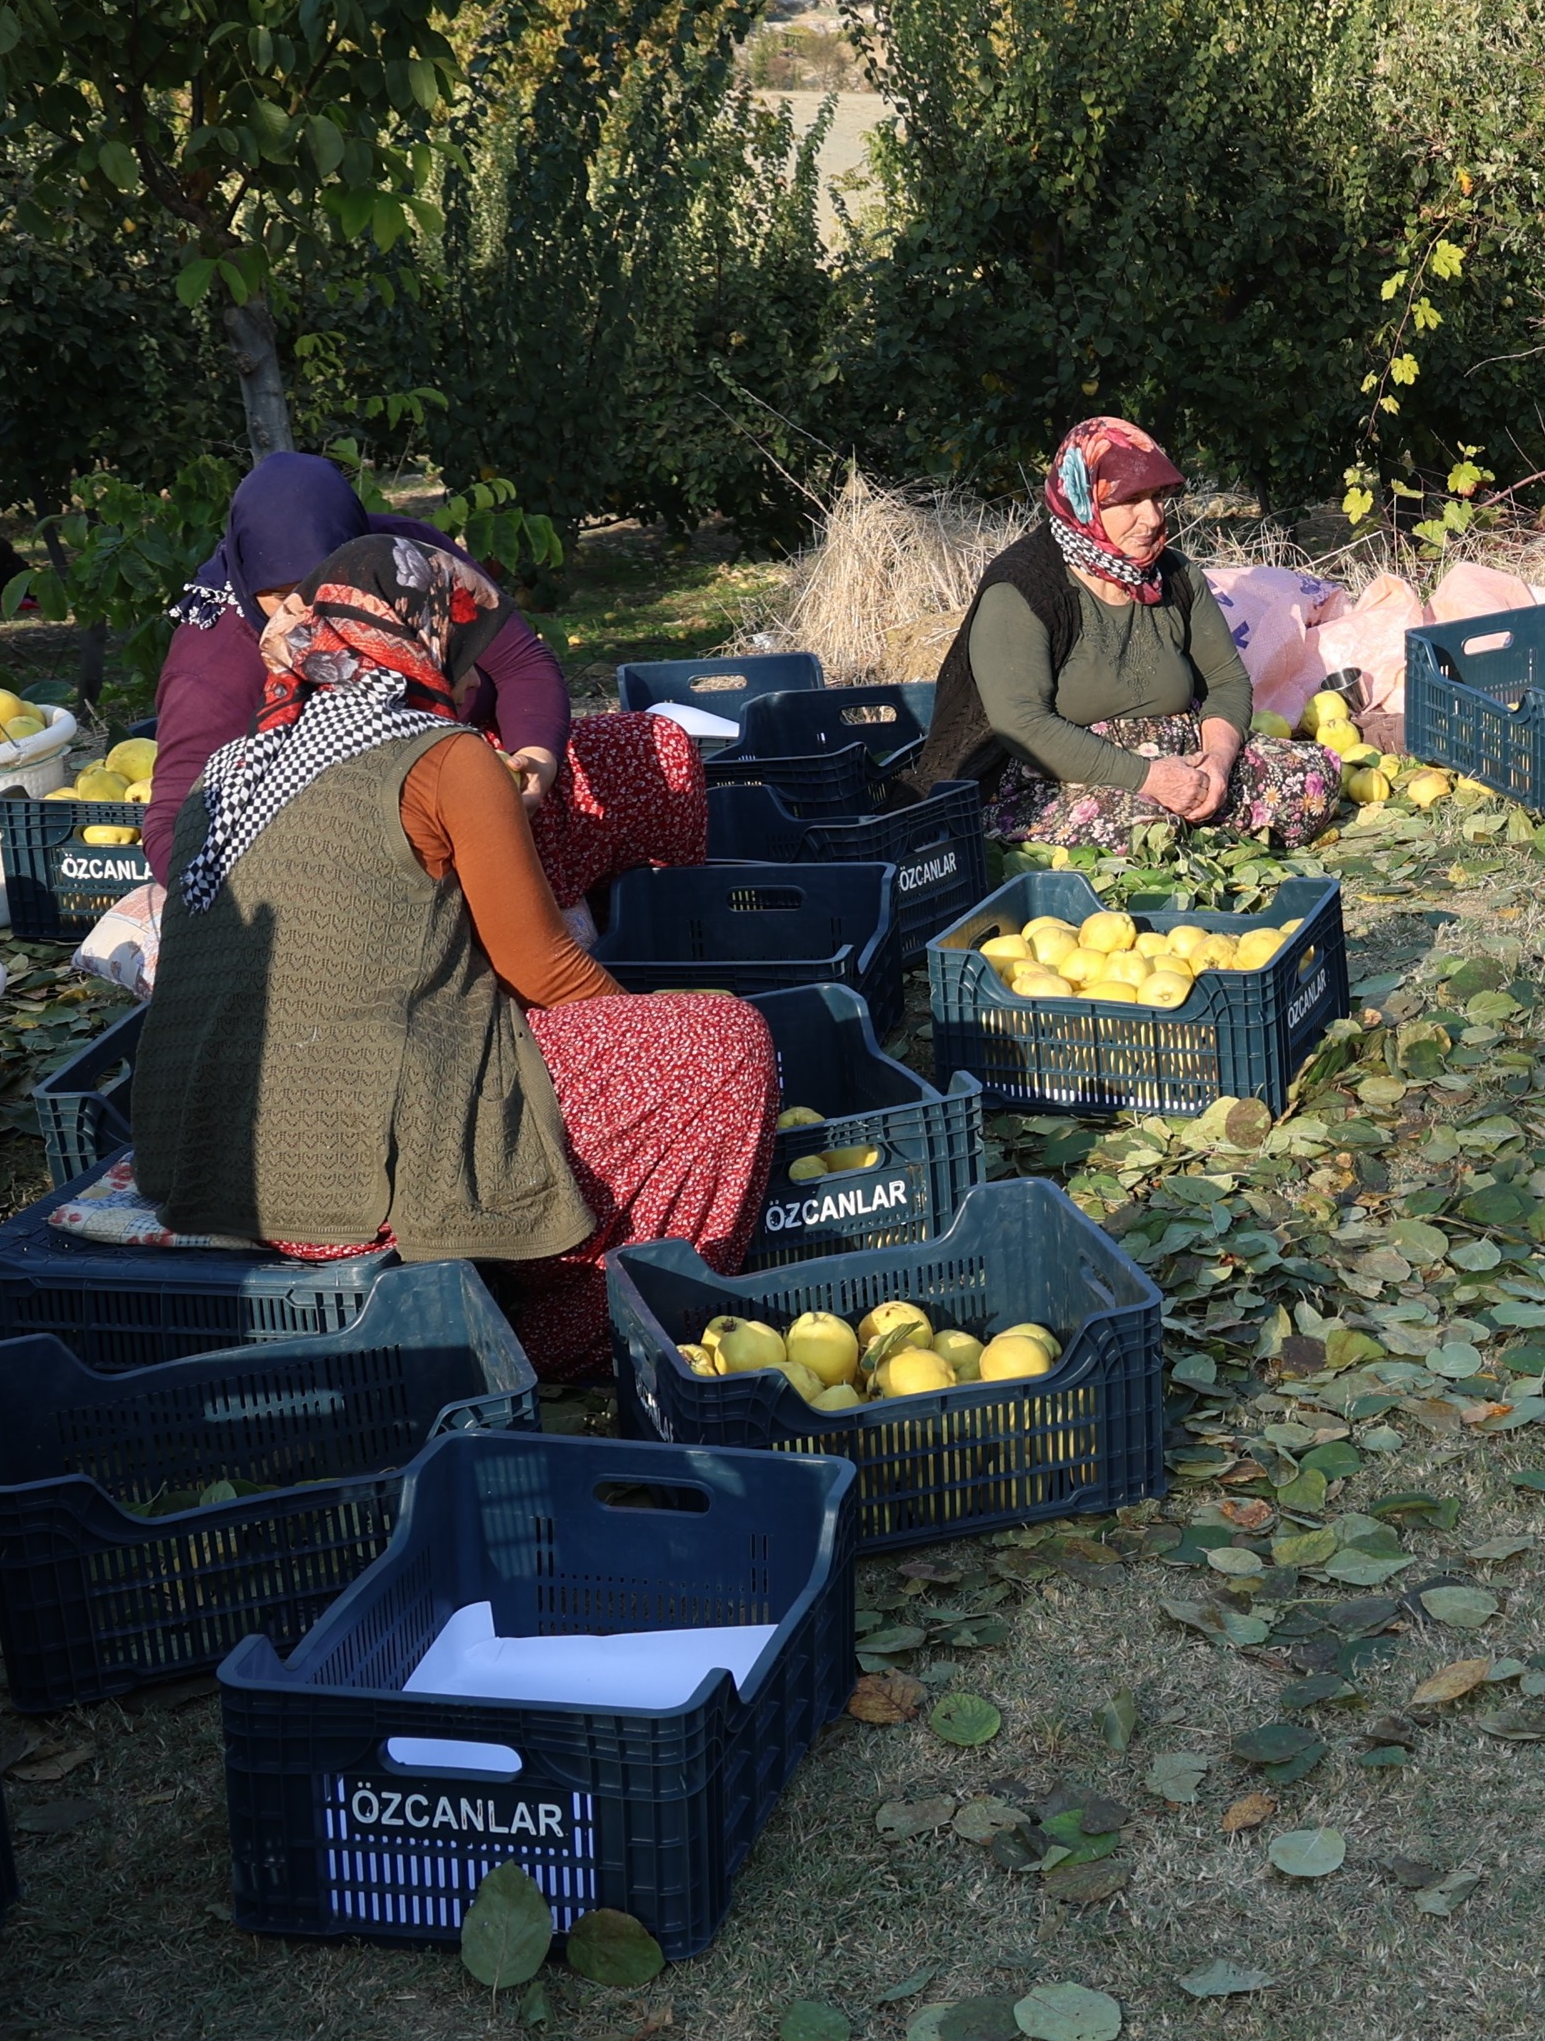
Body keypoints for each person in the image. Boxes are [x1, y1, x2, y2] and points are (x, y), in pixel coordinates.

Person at [128, 534, 776, 1369]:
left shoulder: (227, 768)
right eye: (465, 654)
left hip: (215, 1172)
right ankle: (562, 1339)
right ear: (420, 645)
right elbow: (540, 968)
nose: (474, 682)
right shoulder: (447, 760)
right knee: (723, 1047)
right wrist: (653, 1041)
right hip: (356, 1182)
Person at [146, 451, 699, 916]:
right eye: (280, 595)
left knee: (657, 746)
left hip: (472, 788)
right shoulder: (211, 663)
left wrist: (537, 761)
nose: (308, 611)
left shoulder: (402, 559)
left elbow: (522, 663)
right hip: (349, 851)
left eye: (326, 581)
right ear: (247, 580)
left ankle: (653, 910)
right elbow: (176, 822)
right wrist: (292, 903)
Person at [906, 418, 1338, 851]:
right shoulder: (1024, 589)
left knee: (1310, 780)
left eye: (1157, 498)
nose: (1151, 518)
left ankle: (1200, 827)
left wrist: (1218, 763)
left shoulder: (1176, 575)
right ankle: (1189, 836)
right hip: (1056, 777)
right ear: (1083, 502)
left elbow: (1226, 680)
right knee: (1139, 828)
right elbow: (1023, 724)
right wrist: (1149, 778)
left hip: (1181, 755)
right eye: (1130, 500)